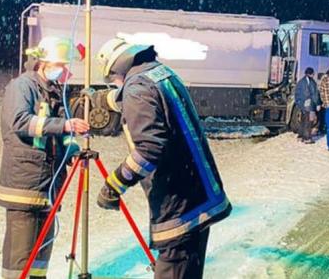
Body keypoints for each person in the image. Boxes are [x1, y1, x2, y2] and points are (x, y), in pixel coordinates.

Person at [94, 38, 231, 279]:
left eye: (113, 79)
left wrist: (114, 185)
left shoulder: (137, 88)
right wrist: (99, 99)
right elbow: (143, 100)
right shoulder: (160, 73)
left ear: (119, 69)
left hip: (179, 205)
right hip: (199, 196)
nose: (115, 84)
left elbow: (149, 149)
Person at [0, 36, 90, 279]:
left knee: (39, 258)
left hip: (48, 185)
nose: (64, 71)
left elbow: (59, 133)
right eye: (61, 65)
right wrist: (64, 125)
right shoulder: (22, 86)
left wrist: (71, 149)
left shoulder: (52, 91)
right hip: (25, 185)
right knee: (20, 260)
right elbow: (20, 122)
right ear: (43, 62)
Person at [294, 67, 321, 144]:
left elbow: (297, 94)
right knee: (309, 121)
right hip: (310, 105)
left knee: (303, 120)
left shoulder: (301, 81)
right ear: (311, 74)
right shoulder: (312, 82)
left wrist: (299, 104)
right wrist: (318, 103)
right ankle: (307, 138)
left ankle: (300, 135)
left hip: (302, 105)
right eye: (313, 73)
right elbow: (314, 94)